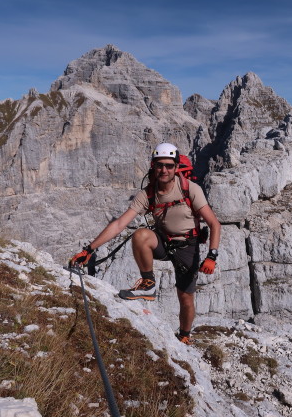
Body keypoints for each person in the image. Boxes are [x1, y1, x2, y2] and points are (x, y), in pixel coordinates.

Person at [70, 143, 221, 345]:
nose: (164, 170)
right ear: (153, 166)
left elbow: (214, 223)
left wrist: (212, 256)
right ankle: (148, 283)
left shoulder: (190, 189)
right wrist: (89, 250)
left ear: (176, 167)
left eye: (169, 166)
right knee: (140, 235)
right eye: (160, 165)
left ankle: (184, 335)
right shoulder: (147, 194)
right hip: (162, 241)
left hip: (187, 245)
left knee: (185, 297)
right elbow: (119, 224)